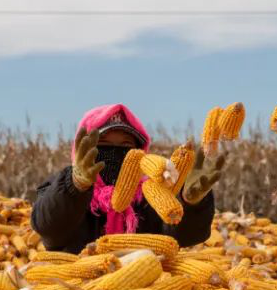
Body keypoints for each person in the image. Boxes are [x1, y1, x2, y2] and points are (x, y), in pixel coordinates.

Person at [31, 104, 223, 253]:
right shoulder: (61, 186)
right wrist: (75, 186)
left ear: (140, 151)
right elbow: (48, 227)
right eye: (104, 144)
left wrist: (190, 202)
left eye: (125, 146)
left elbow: (183, 236)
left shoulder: (151, 194)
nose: (115, 152)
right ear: (83, 149)